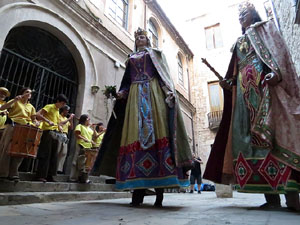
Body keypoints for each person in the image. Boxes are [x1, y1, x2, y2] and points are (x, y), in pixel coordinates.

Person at [203, 1, 300, 211]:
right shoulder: (239, 42)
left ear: (254, 15)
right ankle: (271, 197)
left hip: (266, 91)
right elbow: (236, 72)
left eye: (245, 13)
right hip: (244, 101)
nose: (241, 17)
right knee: (252, 144)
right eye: (239, 15)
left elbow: (279, 55)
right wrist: (229, 84)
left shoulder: (266, 29)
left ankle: (292, 196)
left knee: (275, 139)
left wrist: (276, 73)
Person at [93, 28, 193, 207]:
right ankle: (137, 195)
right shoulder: (130, 57)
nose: (140, 38)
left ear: (148, 41)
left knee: (158, 135)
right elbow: (126, 82)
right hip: (134, 98)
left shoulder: (155, 54)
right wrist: (120, 94)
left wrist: (169, 92)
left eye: (143, 37)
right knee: (134, 136)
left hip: (153, 94)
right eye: (137, 37)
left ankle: (159, 195)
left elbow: (163, 77)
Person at [0, 87, 38, 181]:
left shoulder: (31, 107)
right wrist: (14, 100)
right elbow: (2, 108)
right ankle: (3, 172)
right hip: (13, 126)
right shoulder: (16, 101)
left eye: (30, 93)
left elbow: (34, 119)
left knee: (20, 150)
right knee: (7, 148)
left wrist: (36, 123)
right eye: (26, 92)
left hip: (25, 128)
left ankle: (13, 173)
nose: (28, 93)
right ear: (22, 93)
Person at [35, 94, 68, 182]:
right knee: (46, 154)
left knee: (54, 155)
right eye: (62, 103)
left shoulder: (57, 111)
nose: (63, 105)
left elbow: (57, 123)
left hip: (55, 133)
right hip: (47, 132)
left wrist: (59, 127)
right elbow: (38, 114)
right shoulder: (49, 106)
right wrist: (47, 121)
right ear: (57, 101)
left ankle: (50, 175)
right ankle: (41, 175)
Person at [70, 114, 95, 183]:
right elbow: (77, 134)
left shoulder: (89, 129)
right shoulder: (79, 126)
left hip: (88, 147)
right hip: (81, 145)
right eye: (88, 119)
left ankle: (82, 178)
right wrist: (85, 139)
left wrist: (92, 142)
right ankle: (73, 177)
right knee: (77, 161)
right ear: (85, 120)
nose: (89, 120)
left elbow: (90, 137)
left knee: (86, 164)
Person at [57, 105, 74, 174]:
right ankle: (54, 167)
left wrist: (71, 120)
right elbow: (60, 124)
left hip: (65, 135)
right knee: (57, 151)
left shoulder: (66, 118)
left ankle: (59, 169)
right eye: (66, 110)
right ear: (63, 110)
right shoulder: (59, 116)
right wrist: (69, 119)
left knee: (64, 152)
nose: (67, 112)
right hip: (59, 133)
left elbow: (71, 127)